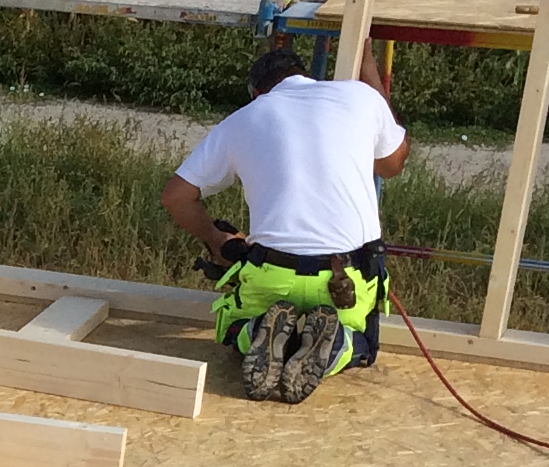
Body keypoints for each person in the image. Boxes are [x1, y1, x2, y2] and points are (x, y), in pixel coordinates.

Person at [160, 40, 407, 404]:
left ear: (256, 92)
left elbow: (175, 197)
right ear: (303, 75)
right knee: (364, 344)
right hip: (346, 278)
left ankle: (258, 331)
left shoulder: (245, 118)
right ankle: (338, 344)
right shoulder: (360, 97)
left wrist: (216, 240)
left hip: (273, 273)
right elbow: (392, 164)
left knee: (233, 327)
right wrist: (369, 73)